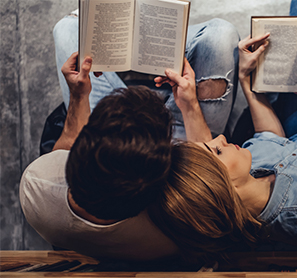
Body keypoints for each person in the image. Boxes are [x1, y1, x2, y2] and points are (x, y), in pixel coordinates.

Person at [147, 0, 297, 261]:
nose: (220, 138)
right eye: (217, 150)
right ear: (226, 188)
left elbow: (271, 139)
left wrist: (244, 78)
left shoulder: (242, 187)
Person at [20, 9, 240, 260]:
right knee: (221, 34)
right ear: (165, 179)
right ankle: (147, 36)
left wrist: (79, 96)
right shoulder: (176, 224)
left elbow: (64, 149)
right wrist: (188, 104)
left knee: (69, 27)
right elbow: (205, 167)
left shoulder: (36, 190)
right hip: (185, 142)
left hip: (127, 156)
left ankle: (132, 37)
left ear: (78, 158)